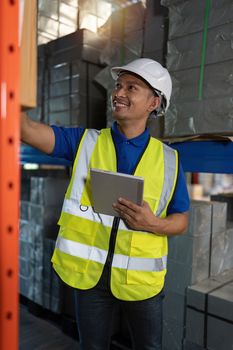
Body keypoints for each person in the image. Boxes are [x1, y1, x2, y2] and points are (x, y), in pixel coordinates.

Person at [21, 58, 189, 350]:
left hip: (141, 282)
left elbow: (181, 219)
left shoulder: (170, 161)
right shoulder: (84, 142)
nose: (119, 93)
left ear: (154, 103)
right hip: (91, 278)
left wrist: (154, 224)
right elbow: (26, 130)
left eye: (131, 87)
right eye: (118, 85)